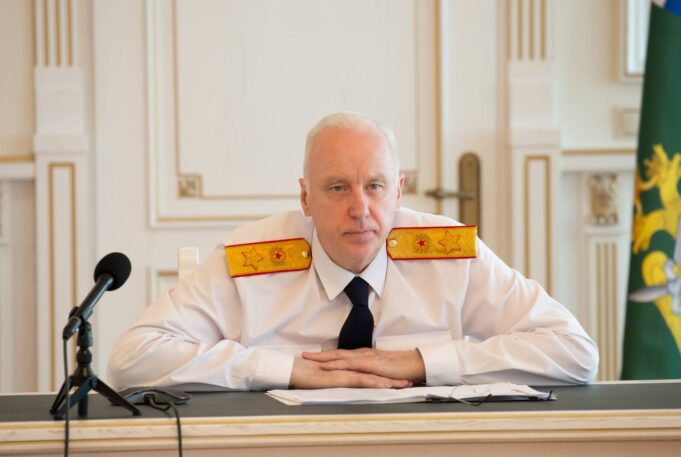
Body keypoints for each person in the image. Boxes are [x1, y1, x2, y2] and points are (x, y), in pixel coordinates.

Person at [108, 112, 598, 391]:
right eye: (338, 187)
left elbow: (574, 352)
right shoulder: (252, 259)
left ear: (398, 192)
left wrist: (423, 363)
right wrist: (287, 371)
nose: (361, 209)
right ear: (305, 198)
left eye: (375, 186)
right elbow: (132, 358)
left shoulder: (448, 253)